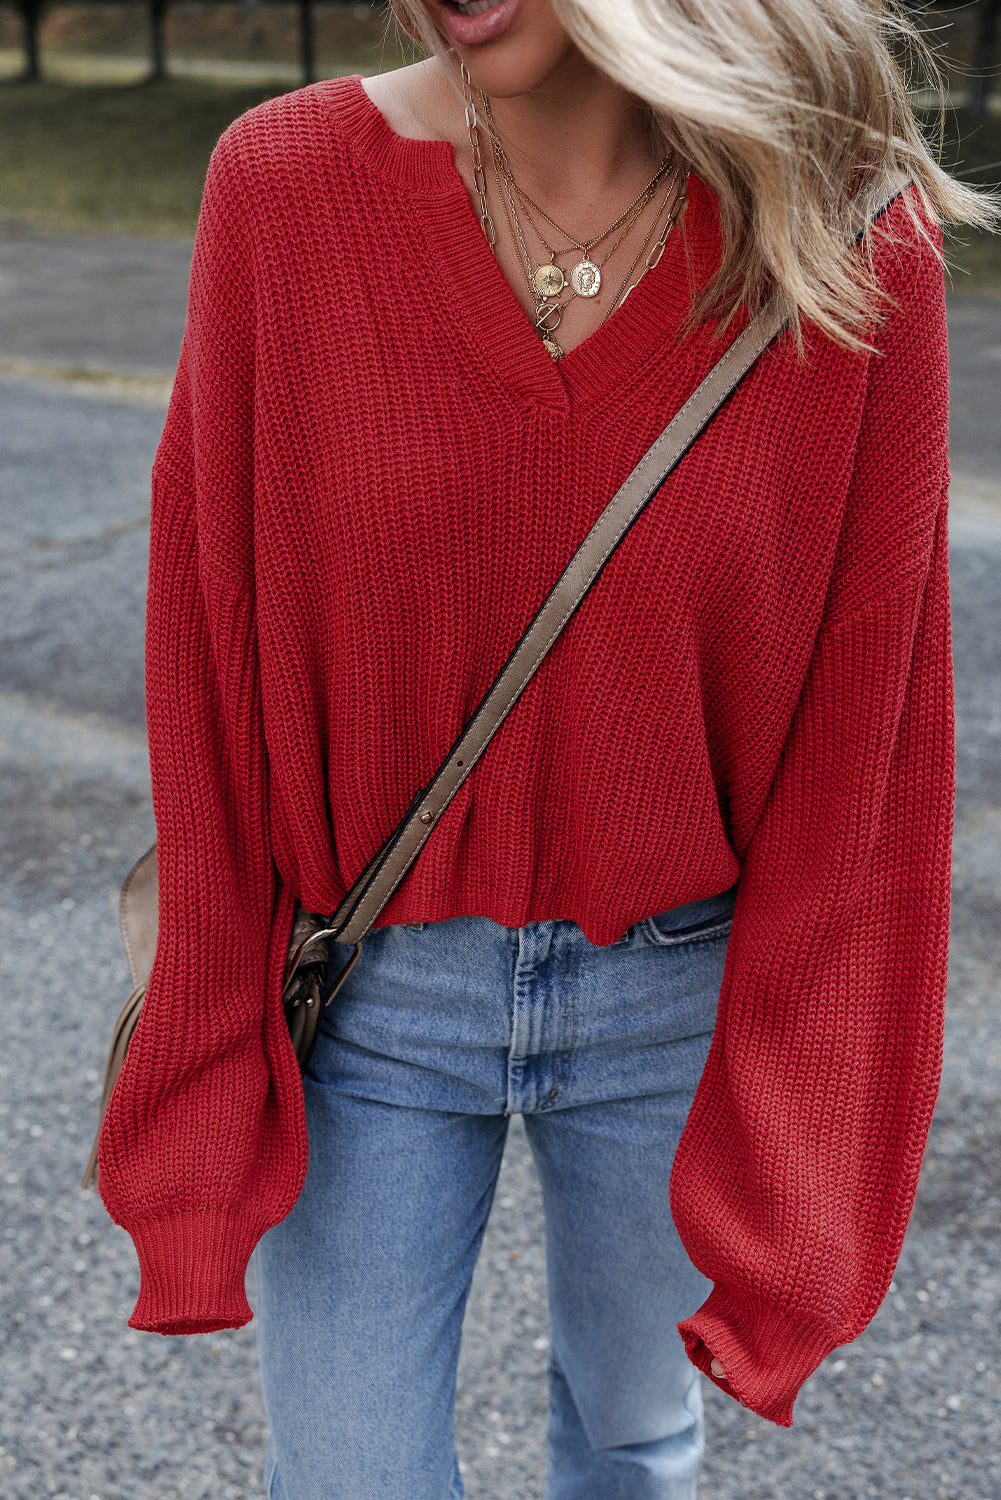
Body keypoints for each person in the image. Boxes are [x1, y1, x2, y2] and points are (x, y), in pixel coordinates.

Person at [94, 0, 1000, 1495]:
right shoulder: (284, 189)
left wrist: (802, 1136)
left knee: (632, 1449)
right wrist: (203, 1046)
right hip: (372, 992)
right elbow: (209, 642)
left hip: (680, 1004)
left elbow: (870, 753)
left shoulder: (844, 236)